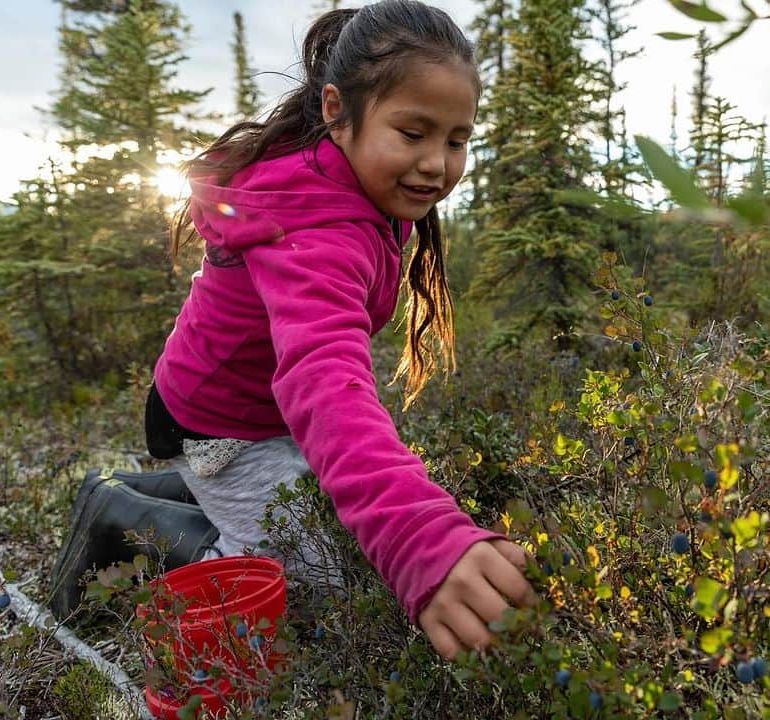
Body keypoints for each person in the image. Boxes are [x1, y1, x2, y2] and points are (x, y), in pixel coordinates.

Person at [48, 0, 537, 661]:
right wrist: (419, 538)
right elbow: (323, 382)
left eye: (456, 140)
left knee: (340, 535)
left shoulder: (352, 180)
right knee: (321, 583)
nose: (435, 164)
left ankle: (188, 493)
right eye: (414, 132)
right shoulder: (317, 228)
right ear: (337, 110)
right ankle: (122, 521)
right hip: (220, 424)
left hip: (259, 408)